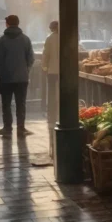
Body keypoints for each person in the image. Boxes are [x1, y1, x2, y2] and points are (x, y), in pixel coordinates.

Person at [0, 15, 34, 137]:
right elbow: (31, 59)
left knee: (6, 104)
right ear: (18, 23)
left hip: (6, 78)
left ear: (7, 24)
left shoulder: (2, 40)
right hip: (22, 78)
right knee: (21, 104)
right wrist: (25, 69)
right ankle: (21, 129)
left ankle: (7, 128)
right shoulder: (26, 39)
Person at [42, 21, 59, 155]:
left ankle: (53, 111)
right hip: (63, 71)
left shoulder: (49, 38)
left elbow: (45, 54)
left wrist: (44, 67)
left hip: (52, 71)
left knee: (52, 94)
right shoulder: (64, 37)